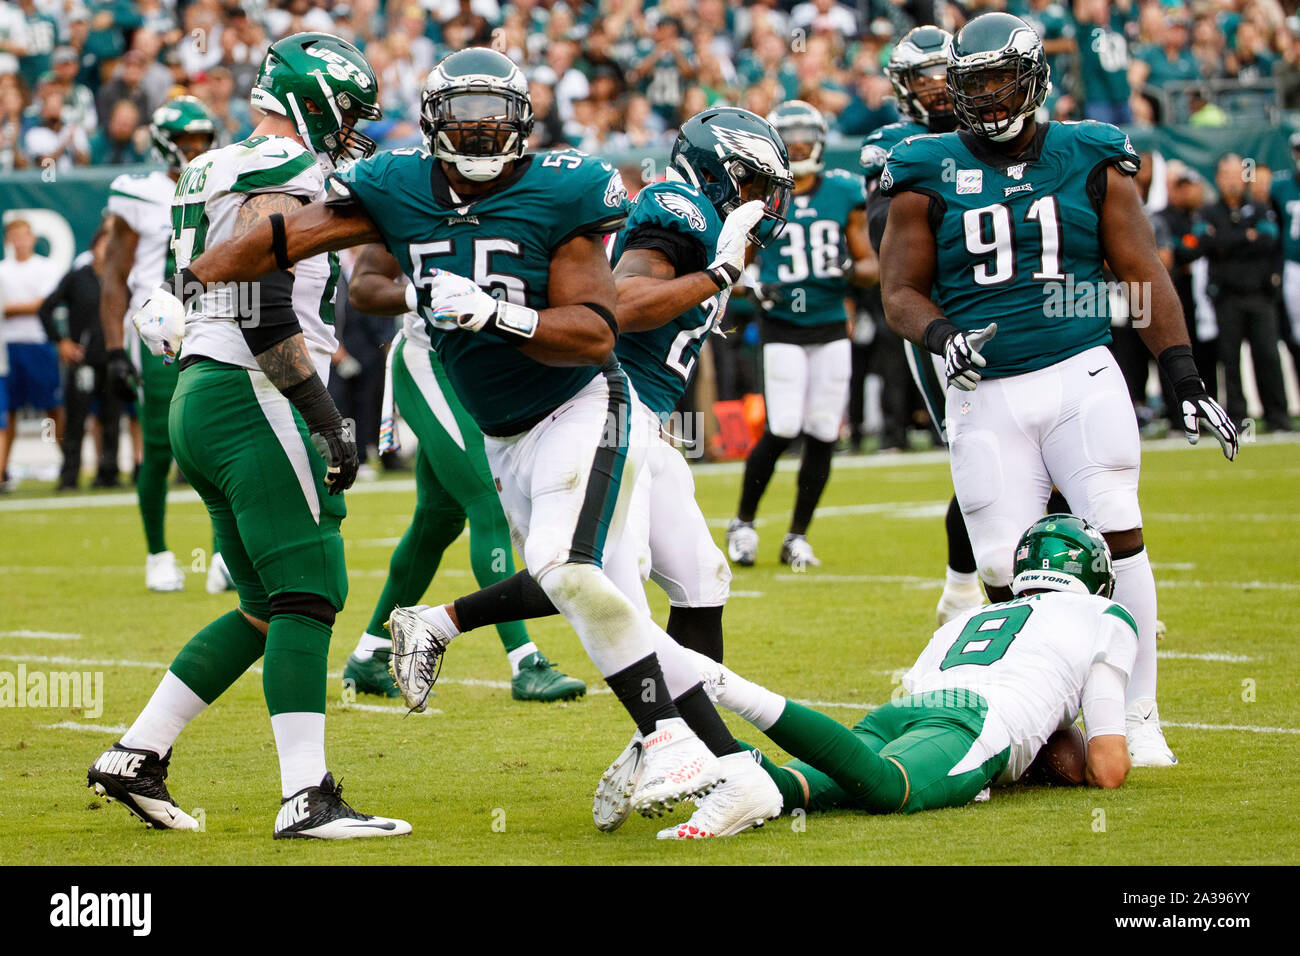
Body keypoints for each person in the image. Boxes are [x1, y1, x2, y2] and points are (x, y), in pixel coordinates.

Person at [139, 48, 792, 831]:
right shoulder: (395, 183)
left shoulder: (567, 185)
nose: (479, 135)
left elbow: (596, 331)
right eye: (462, 118)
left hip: (585, 407)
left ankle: (679, 744)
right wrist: (187, 285)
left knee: (577, 570)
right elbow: (280, 240)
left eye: (495, 118)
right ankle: (681, 742)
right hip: (501, 428)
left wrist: (497, 313)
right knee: (587, 586)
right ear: (431, 124)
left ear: (521, 124)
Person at [369, 107, 796, 836]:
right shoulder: (679, 205)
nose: (765, 199)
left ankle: (665, 737)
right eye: (754, 180)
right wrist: (719, 274)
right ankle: (719, 763)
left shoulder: (696, 213)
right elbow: (624, 305)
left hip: (641, 421)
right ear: (721, 168)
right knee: (602, 584)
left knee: (692, 580)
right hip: (606, 412)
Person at [878, 12, 1238, 768]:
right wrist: (944, 337)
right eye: (974, 84)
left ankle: (1138, 717)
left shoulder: (1088, 153)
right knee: (1006, 574)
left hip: (1081, 374)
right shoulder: (922, 164)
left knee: (1118, 533)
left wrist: (1182, 373)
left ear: (1035, 76)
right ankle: (1035, 721)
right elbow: (901, 291)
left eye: (1002, 78)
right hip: (986, 392)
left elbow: (1141, 270)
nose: (990, 96)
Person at [89, 33, 409, 840]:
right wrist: (327, 415)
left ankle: (137, 754)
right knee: (311, 590)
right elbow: (266, 302)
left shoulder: (209, 167)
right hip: (253, 388)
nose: (351, 129)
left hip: (201, 388)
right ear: (315, 99)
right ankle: (308, 797)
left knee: (266, 607)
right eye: (347, 113)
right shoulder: (282, 170)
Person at [657, 514, 1135, 836]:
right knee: (890, 788)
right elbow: (1107, 769)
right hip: (972, 723)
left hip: (907, 713)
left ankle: (705, 756)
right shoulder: (1104, 613)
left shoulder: (970, 618)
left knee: (788, 788)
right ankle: (725, 684)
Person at [338, 243, 588, 703]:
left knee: (437, 522)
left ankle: (370, 653)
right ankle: (524, 662)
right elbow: (368, 281)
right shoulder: (413, 184)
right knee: (488, 504)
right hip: (432, 359)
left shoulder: (528, 189)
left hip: (481, 366)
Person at [862, 24, 986, 625]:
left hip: (1010, 306)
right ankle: (963, 590)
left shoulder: (992, 129)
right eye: (923, 77)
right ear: (903, 86)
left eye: (944, 72)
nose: (937, 87)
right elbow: (885, 237)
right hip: (939, 317)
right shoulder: (893, 145)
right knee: (975, 454)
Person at [725, 99, 874, 569]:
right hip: (783, 326)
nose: (800, 144)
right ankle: (744, 522)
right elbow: (733, 265)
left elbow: (871, 264)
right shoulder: (760, 197)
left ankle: (797, 535)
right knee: (784, 426)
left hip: (831, 325)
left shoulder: (844, 193)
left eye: (806, 136)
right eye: (790, 138)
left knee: (824, 430)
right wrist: (753, 288)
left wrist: (849, 268)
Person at [99, 96, 225, 593]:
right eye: (185, 141)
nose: (194, 149)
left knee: (219, 445)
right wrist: (113, 349)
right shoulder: (138, 192)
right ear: (162, 143)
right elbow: (114, 275)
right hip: (157, 334)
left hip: (212, 324)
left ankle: (223, 558)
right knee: (158, 448)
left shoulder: (221, 182)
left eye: (201, 140)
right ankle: (157, 553)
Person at [1205, 153, 1290, 433]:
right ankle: (1238, 422)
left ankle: (1278, 418)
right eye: (1226, 175)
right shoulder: (1210, 210)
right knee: (1229, 361)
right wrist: (1246, 236)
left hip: (1259, 294)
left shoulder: (1260, 206)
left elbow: (1269, 239)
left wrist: (1230, 240)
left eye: (1236, 175)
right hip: (1227, 295)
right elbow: (1208, 242)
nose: (1231, 181)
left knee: (1267, 356)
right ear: (1218, 179)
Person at [39, 227, 123, 490]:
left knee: (111, 419)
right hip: (82, 360)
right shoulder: (77, 278)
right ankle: (69, 476)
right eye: (103, 244)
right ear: (93, 247)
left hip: (110, 358)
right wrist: (62, 342)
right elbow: (46, 308)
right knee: (76, 420)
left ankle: (108, 474)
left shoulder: (120, 279)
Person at [0, 218, 64, 485]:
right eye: (14, 236)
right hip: (8, 347)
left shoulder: (45, 267)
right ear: (8, 240)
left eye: (24, 235)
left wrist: (11, 309)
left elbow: (42, 304)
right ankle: (4, 470)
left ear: (33, 238)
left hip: (38, 344)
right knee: (9, 411)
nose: (20, 241)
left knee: (52, 407)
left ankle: (67, 461)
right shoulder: (3, 270)